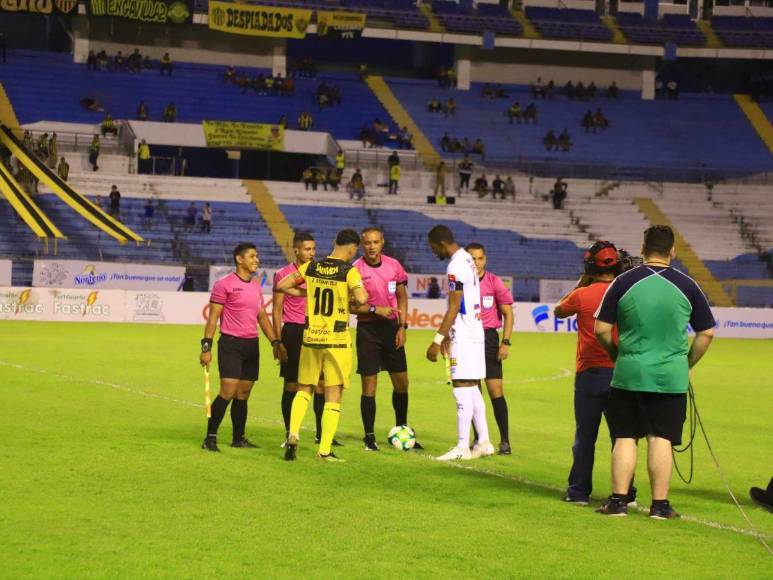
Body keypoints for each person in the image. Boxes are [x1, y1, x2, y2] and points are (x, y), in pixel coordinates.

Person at [595, 225, 715, 519]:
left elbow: (601, 329)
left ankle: (618, 502)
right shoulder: (688, 285)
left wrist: (617, 353)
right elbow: (707, 333)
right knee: (661, 438)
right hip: (670, 377)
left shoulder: (623, 282)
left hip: (629, 372)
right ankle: (660, 506)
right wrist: (686, 363)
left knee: (625, 437)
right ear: (672, 251)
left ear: (642, 248)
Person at [276, 229, 368, 461]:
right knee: (333, 394)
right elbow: (363, 298)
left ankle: (293, 433)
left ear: (334, 242)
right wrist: (347, 297)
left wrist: (306, 294)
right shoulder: (349, 270)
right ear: (352, 248)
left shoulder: (312, 267)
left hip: (311, 337)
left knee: (304, 387)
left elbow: (282, 285)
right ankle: (324, 450)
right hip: (336, 340)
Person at [555, 241, 635, 506]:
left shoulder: (582, 294)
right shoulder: (627, 294)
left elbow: (558, 309)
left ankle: (578, 492)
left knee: (585, 437)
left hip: (589, 374)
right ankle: (625, 494)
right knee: (622, 437)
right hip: (622, 372)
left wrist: (582, 281)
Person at [200, 243, 286, 452]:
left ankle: (238, 438)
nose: (257, 260)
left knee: (244, 393)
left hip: (251, 345)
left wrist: (275, 342)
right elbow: (213, 317)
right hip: (231, 344)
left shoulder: (256, 285)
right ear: (239, 259)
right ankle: (210, 437)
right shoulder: (224, 284)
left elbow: (262, 318)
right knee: (228, 391)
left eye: (257, 256)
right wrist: (206, 347)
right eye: (252, 256)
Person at [425, 226, 493, 461]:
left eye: (433, 246)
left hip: (464, 334)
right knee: (473, 386)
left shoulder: (455, 265)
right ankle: (483, 441)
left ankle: (463, 446)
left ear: (440, 243)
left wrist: (438, 339)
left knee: (461, 386)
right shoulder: (467, 258)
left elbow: (455, 306)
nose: (433, 251)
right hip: (475, 330)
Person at [352, 228, 422, 451]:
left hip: (392, 329)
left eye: (376, 242)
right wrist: (374, 309)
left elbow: (402, 298)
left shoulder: (394, 266)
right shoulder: (355, 270)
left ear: (382, 243)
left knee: (402, 383)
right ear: (362, 245)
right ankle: (369, 436)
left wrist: (402, 326)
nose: (372, 246)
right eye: (367, 243)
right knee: (369, 385)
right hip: (368, 330)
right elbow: (351, 305)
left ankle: (402, 428)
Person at [273, 233, 339, 448]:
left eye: (313, 249)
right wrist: (277, 341)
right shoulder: (284, 274)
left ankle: (322, 434)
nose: (312, 253)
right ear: (297, 250)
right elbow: (276, 309)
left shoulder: (319, 272)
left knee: (320, 385)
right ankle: (289, 433)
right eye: (307, 249)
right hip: (293, 331)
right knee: (292, 385)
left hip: (317, 331)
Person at [466, 243, 514, 455]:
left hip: (488, 339)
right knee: (473, 392)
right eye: (471, 259)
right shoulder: (462, 282)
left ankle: (505, 441)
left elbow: (508, 313)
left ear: (485, 259)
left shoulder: (494, 282)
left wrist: (505, 342)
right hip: (468, 339)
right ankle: (479, 438)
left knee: (496, 391)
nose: (475, 263)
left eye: (479, 259)